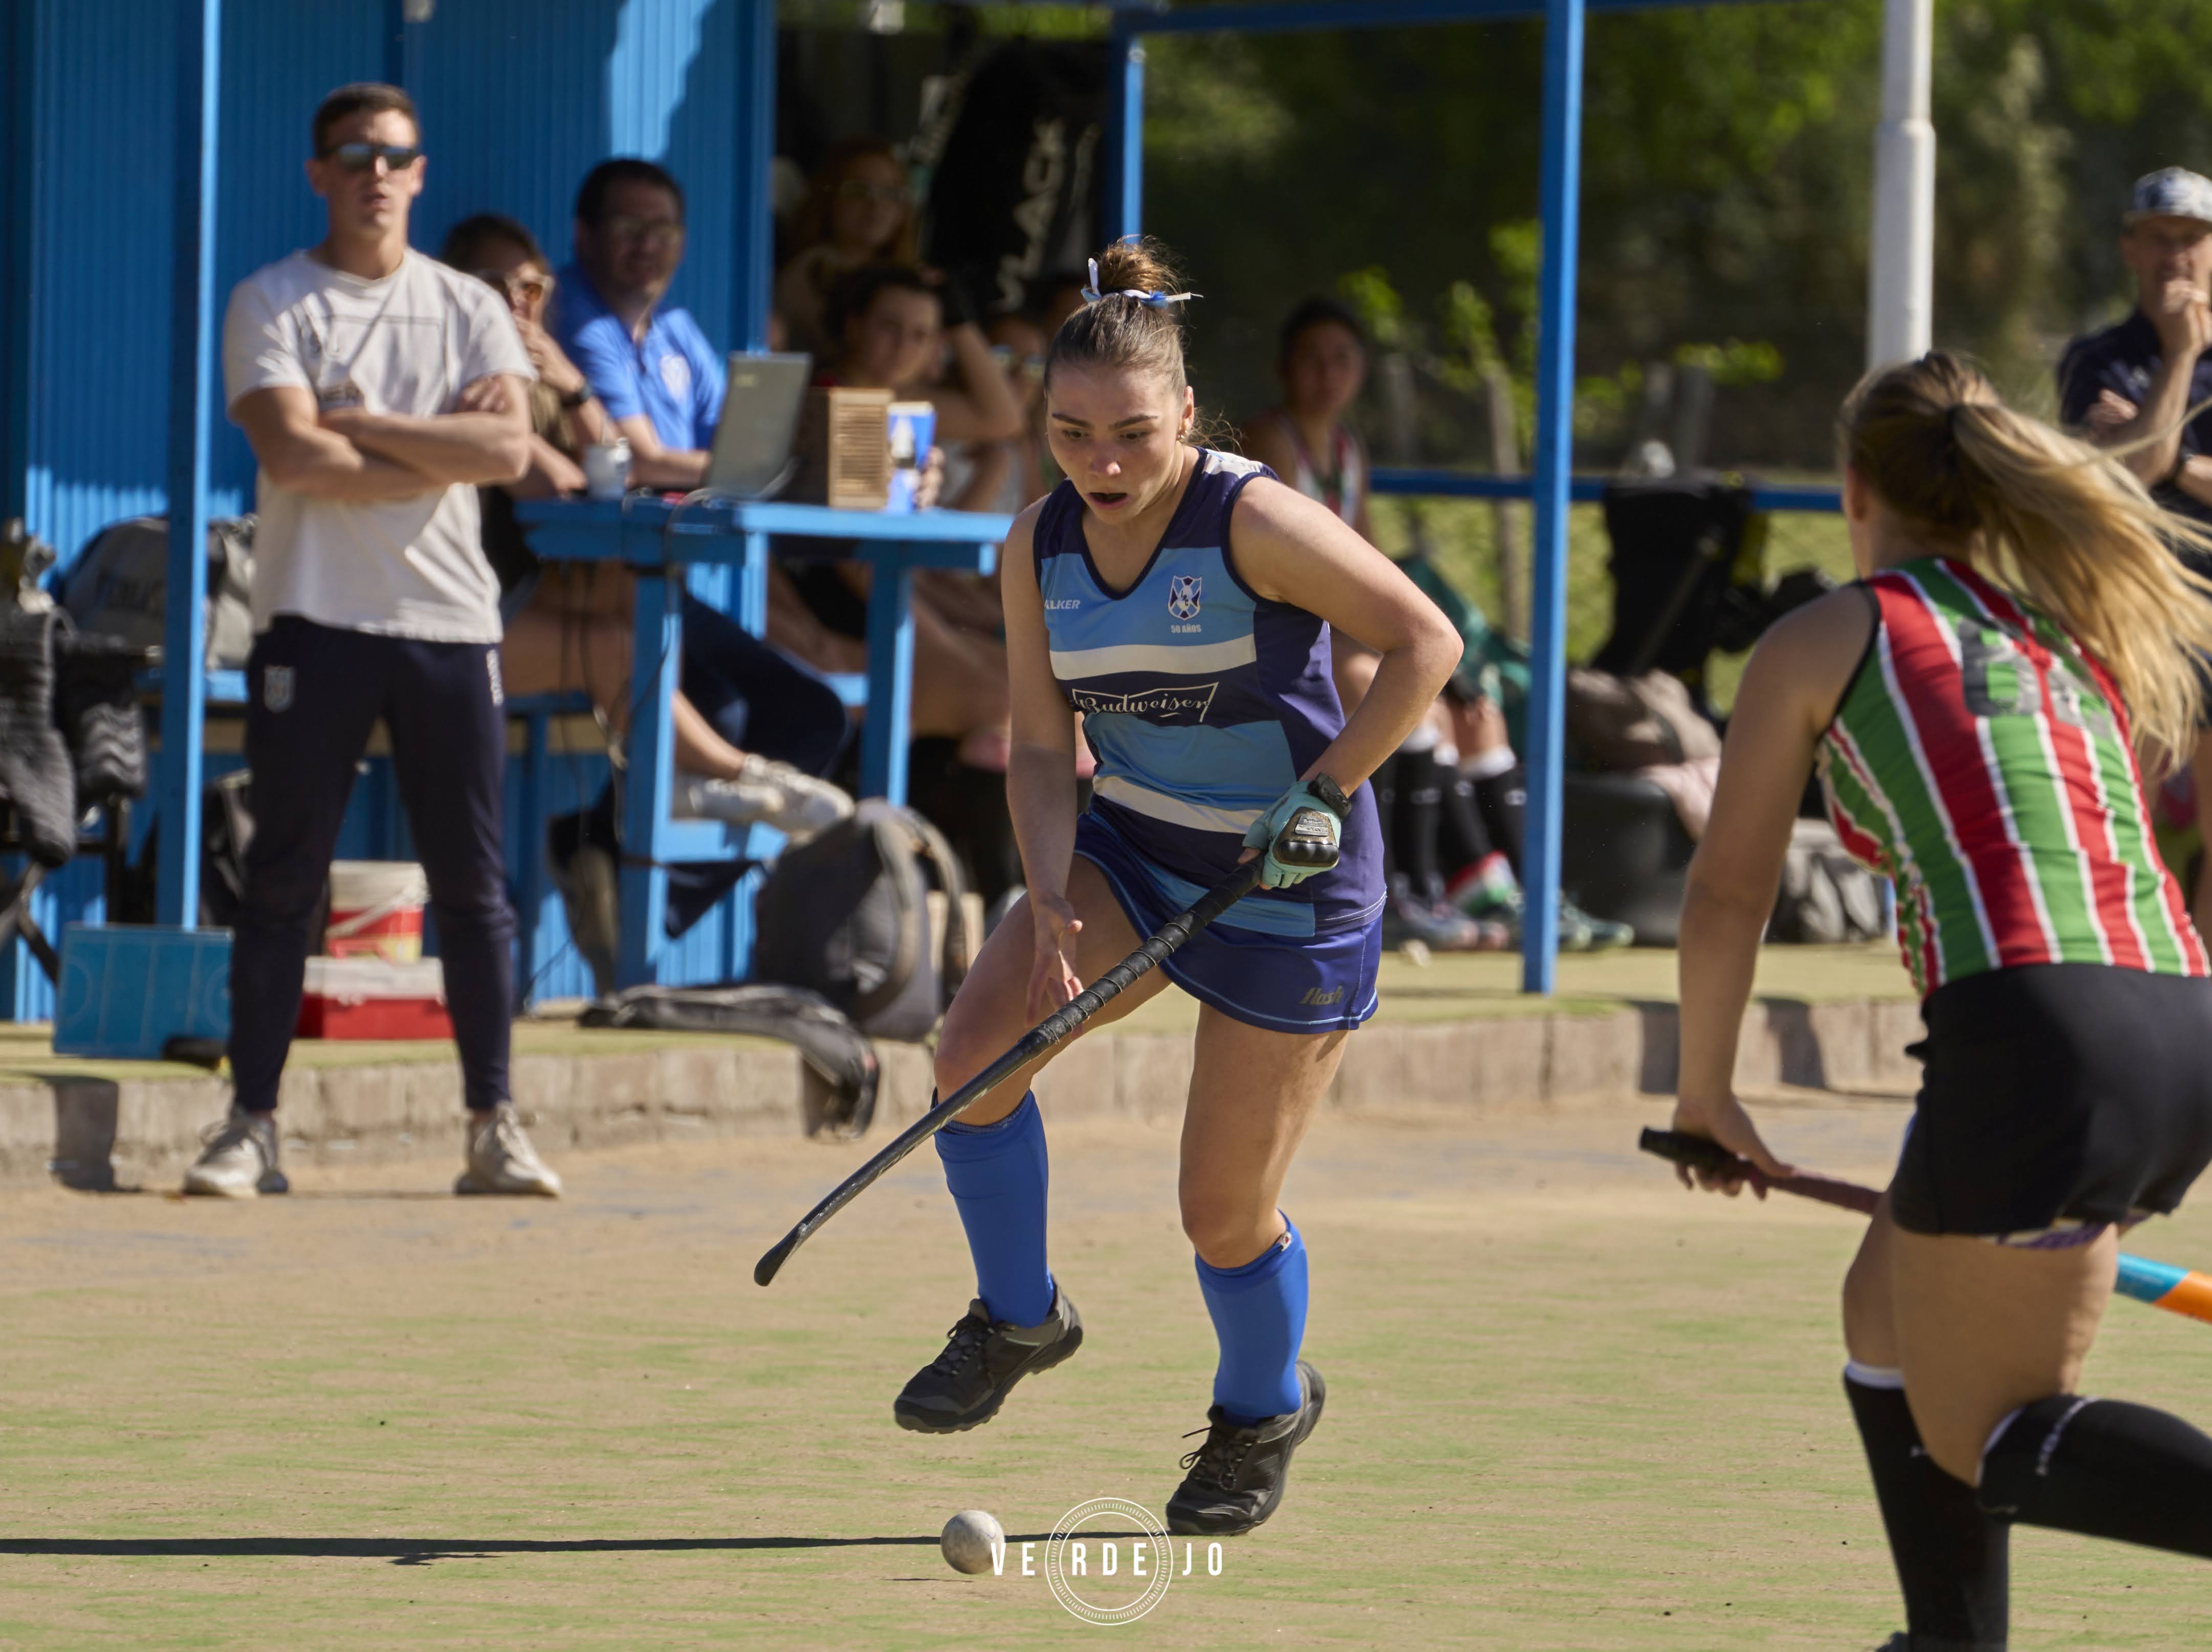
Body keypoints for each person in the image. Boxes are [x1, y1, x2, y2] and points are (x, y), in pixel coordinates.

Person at [889, 240, 1462, 1537]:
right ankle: (1019, 1317)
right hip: (1137, 849)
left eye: (1131, 435)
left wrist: (1321, 793)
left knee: (1219, 1211)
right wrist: (1045, 894)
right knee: (972, 1058)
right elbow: (1041, 746)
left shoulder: (1252, 519)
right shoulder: (1034, 543)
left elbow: (1425, 641)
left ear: (1186, 418)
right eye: (1072, 433)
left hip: (1290, 885)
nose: (1100, 464)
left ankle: (1259, 1406)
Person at [1672, 351, 2212, 1648]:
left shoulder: (1825, 635)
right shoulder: (2060, 630)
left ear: (1852, 485)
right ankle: (1945, 1638)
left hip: (2035, 1035)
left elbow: (1724, 897)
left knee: (1995, 1434)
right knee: (1883, 1311)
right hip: (2175, 1013)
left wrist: (1706, 1095)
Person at [186, 83, 559, 1199]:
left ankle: (493, 1124)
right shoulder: (272, 300)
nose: (375, 173)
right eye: (352, 155)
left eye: (395, 155)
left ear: (421, 171)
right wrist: (445, 441)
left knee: (474, 889)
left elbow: (508, 456)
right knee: (282, 878)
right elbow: (294, 463)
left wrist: (362, 422)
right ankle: (250, 1126)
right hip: (313, 618)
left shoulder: (467, 306)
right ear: (319, 174)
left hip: (449, 621)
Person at [1241, 300, 1619, 953]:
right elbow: (1295, 575)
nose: (1328, 374)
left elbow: (1364, 562)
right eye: (1312, 359)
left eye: (1343, 360)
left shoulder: (1347, 448)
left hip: (1334, 626)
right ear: (1283, 368)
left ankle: (1498, 887)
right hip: (1280, 629)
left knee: (1479, 717)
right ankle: (1400, 891)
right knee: (1414, 707)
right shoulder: (1271, 437)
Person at [768, 263, 1023, 771]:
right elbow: (844, 538)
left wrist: (959, 320)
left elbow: (1004, 418)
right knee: (994, 694)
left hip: (879, 575)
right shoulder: (823, 391)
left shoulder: (906, 401)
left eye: (921, 335)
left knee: (1025, 686)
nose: (903, 346)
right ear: (855, 324)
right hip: (820, 580)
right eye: (890, 327)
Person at [2058, 166, 2212, 940]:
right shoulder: (2097, 358)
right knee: (2130, 821)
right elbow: (2126, 475)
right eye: (2157, 238)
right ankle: (2133, 982)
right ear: (2128, 248)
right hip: (2131, 612)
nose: (2173, 257)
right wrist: (2181, 359)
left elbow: (2150, 459)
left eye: (2189, 240)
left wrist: (2166, 450)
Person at [775, 137, 922, 364]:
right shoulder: (813, 269)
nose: (876, 205)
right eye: (857, 191)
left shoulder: (903, 274)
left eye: (890, 193)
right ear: (830, 199)